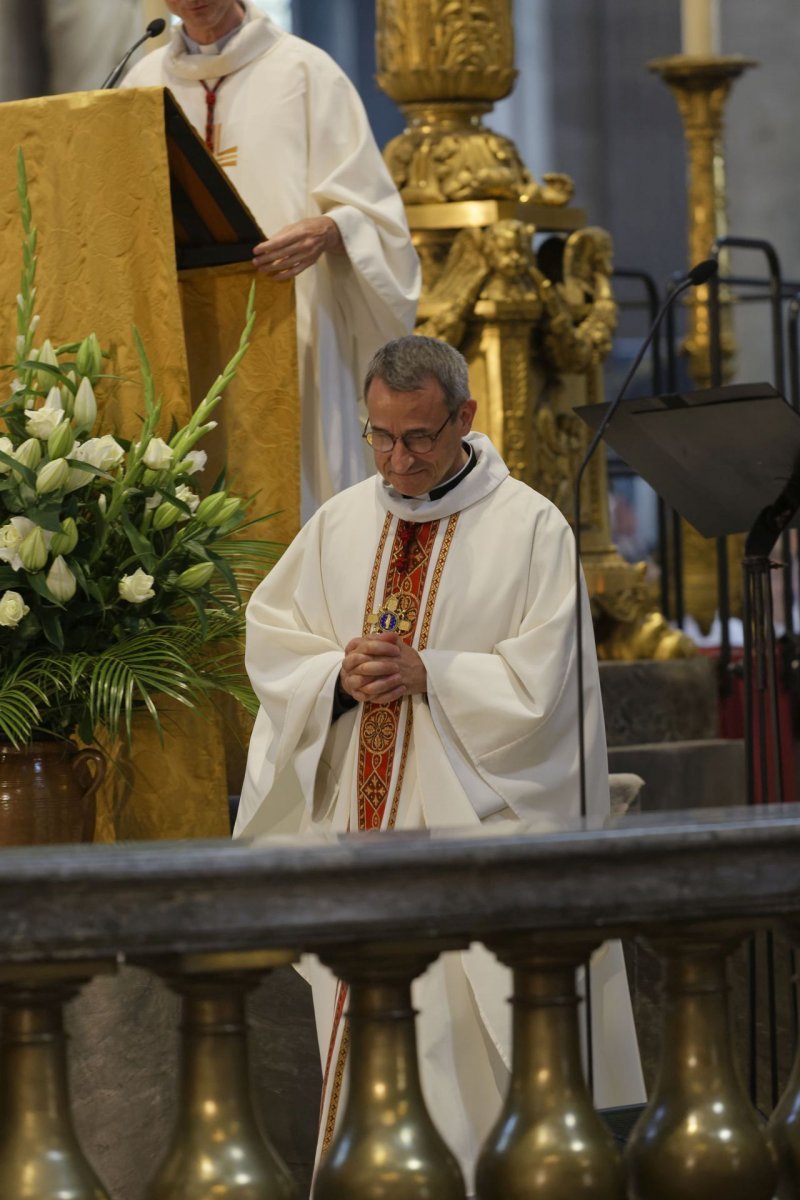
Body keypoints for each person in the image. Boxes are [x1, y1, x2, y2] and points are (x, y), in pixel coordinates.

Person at [235, 334, 645, 1188]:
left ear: (464, 417)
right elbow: (275, 648)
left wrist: (436, 675)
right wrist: (335, 681)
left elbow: (550, 694)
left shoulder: (530, 526)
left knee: (465, 1072)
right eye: (379, 437)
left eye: (419, 437)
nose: (398, 458)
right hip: (356, 841)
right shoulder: (342, 521)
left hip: (470, 846)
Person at [122, 0, 420, 519]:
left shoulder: (306, 71)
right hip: (179, 325)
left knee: (295, 488)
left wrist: (332, 229)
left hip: (291, 320)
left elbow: (380, 218)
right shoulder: (140, 83)